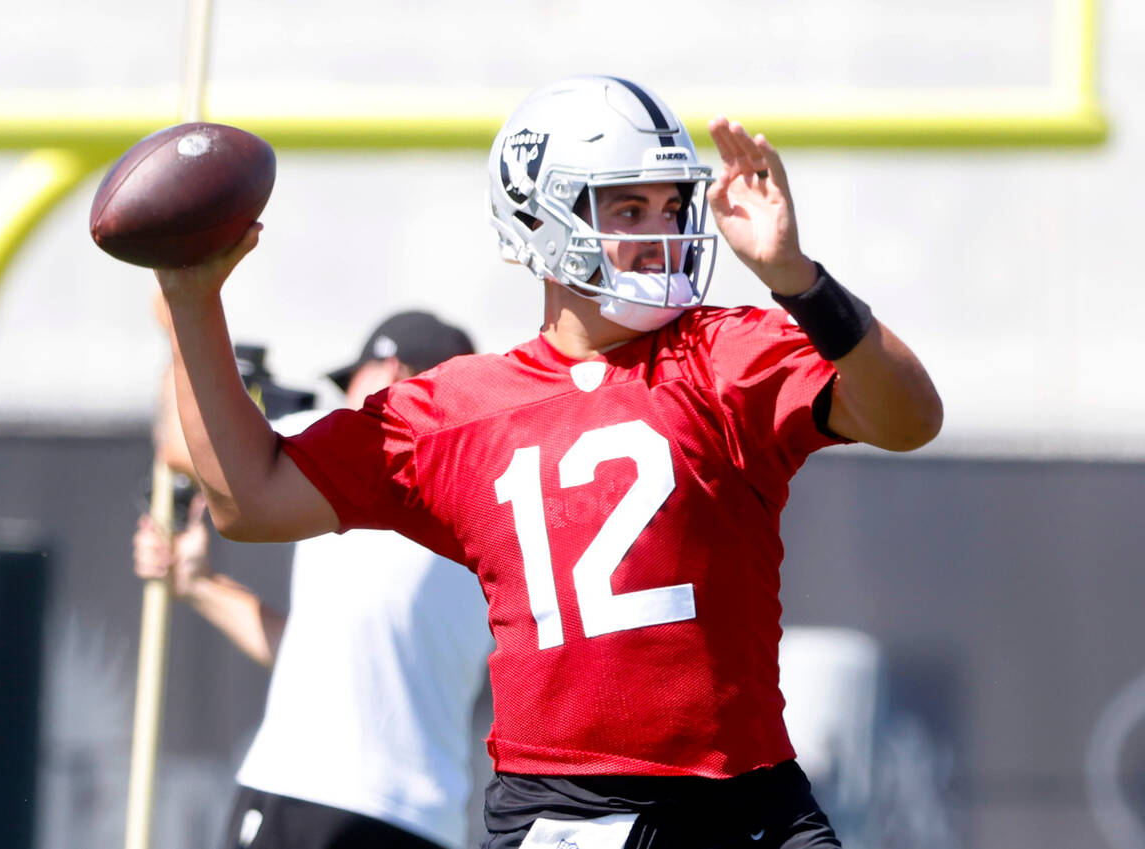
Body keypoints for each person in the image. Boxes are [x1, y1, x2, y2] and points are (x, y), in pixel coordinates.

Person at [152, 76, 943, 848]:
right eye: (629, 207)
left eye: (671, 205)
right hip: (572, 811)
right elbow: (249, 498)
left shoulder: (723, 349)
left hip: (751, 798)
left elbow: (910, 417)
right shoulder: (454, 411)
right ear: (541, 220)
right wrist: (194, 300)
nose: (661, 230)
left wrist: (798, 281)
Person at [134, 311, 492, 849]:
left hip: (305, 800)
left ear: (385, 373)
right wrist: (201, 585)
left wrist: (179, 319)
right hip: (426, 824)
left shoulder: (372, 457)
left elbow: (187, 443)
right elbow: (317, 657)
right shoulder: (488, 501)